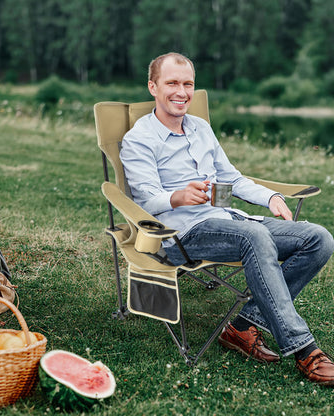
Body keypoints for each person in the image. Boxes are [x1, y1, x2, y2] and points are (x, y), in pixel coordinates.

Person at [120, 52, 334, 385]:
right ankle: (305, 350)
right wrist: (177, 197)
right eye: (171, 83)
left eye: (187, 83)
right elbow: (145, 200)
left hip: (227, 219)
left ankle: (243, 327)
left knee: (318, 238)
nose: (181, 91)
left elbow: (230, 179)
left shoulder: (201, 128)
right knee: (254, 237)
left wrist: (270, 197)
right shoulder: (138, 139)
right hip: (179, 235)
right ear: (153, 87)